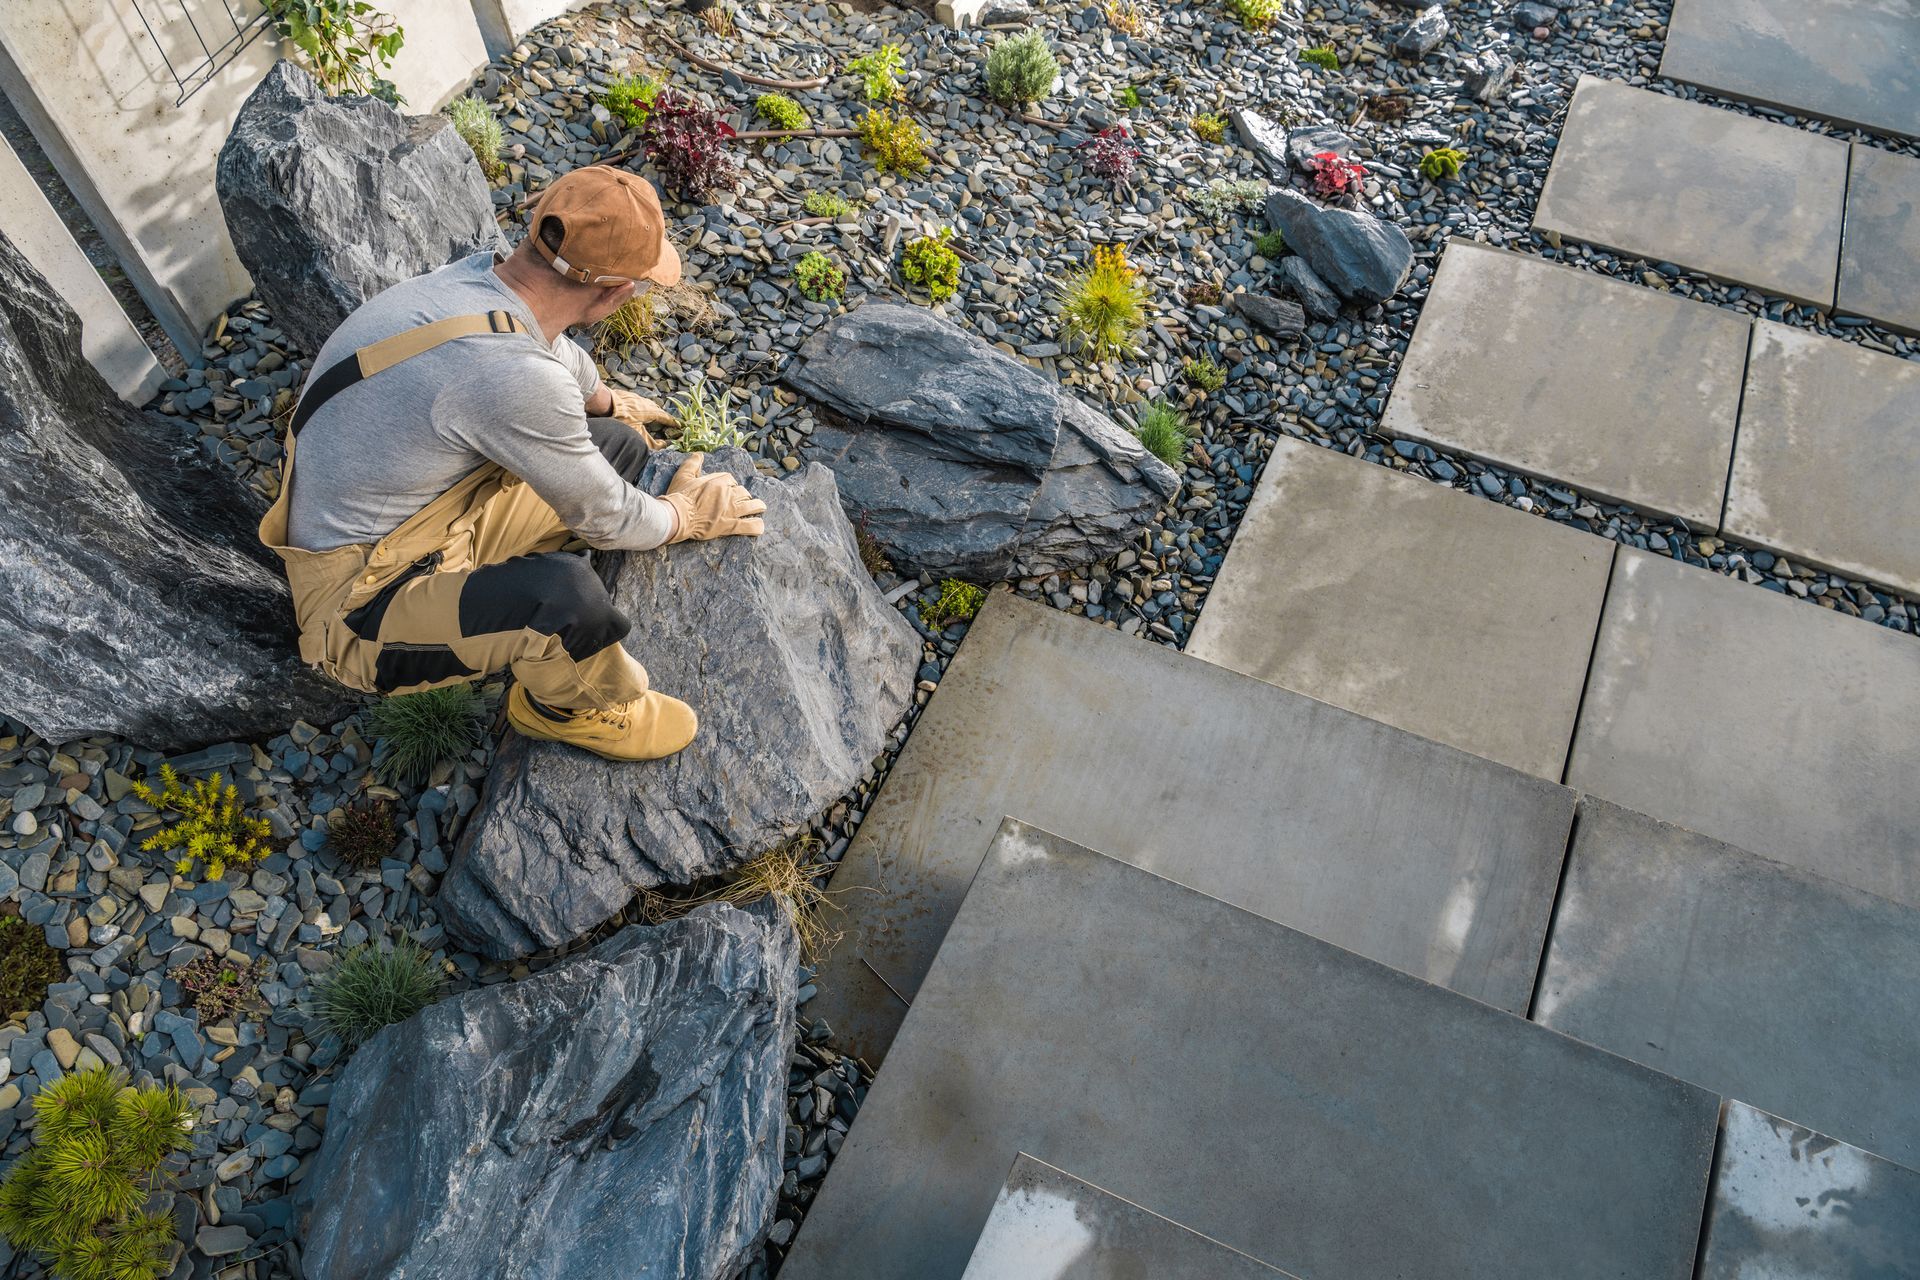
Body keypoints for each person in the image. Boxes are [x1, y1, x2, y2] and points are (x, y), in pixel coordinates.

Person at [257, 165, 764, 762]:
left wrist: (606, 400)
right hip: (360, 605)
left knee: (616, 444)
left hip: (422, 526)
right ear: (616, 295)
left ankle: (506, 586)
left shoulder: (474, 280)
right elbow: (604, 514)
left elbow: (543, 348)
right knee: (563, 601)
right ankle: (566, 707)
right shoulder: (514, 379)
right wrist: (682, 516)